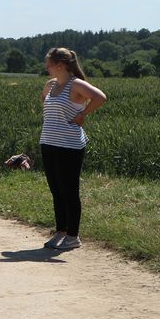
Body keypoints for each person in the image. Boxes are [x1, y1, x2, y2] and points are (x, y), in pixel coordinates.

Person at [39, 47, 107, 251]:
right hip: (48, 142)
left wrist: (82, 114)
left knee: (69, 191)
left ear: (60, 65)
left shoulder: (75, 84)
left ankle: (73, 236)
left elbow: (100, 97)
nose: (47, 68)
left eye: (49, 65)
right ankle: (60, 231)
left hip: (69, 146)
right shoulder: (51, 85)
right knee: (56, 190)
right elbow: (44, 100)